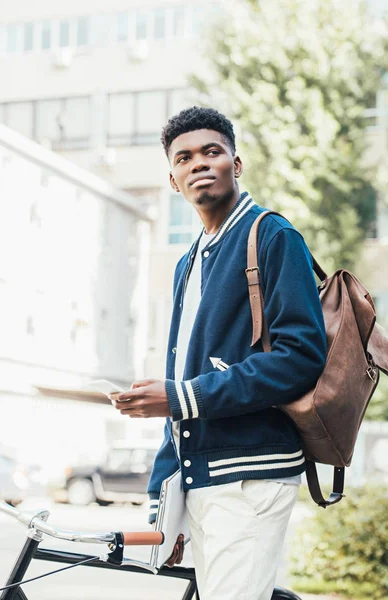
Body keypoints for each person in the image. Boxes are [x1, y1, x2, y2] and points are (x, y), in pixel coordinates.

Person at [111, 106, 327, 600]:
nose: (200, 163)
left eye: (213, 151)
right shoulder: (187, 264)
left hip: (250, 475)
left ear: (236, 163)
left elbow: (301, 357)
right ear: (173, 179)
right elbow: (180, 388)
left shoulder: (272, 236)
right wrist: (166, 499)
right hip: (202, 478)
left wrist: (182, 396)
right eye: (185, 158)